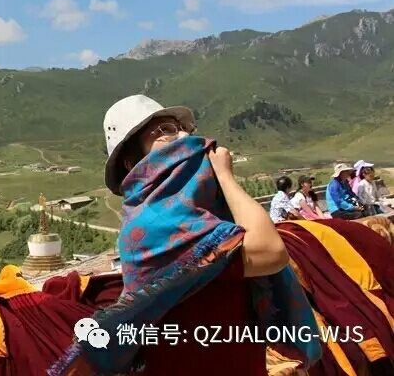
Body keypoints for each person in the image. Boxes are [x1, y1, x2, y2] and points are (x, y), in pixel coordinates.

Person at [101, 95, 295, 375]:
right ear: (133, 163)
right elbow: (271, 252)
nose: (183, 136)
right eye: (165, 131)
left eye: (182, 128)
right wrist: (225, 177)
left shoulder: (203, 210)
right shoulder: (155, 226)